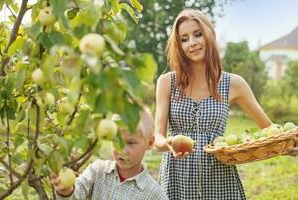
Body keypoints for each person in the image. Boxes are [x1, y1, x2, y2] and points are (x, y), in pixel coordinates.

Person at [153, 8, 293, 200]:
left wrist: (288, 146)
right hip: (176, 179)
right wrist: (169, 143)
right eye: (184, 39)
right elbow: (157, 138)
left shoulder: (234, 83)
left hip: (219, 178)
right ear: (178, 45)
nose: (192, 43)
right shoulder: (167, 82)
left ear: (209, 35)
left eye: (197, 34)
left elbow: (270, 130)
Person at [51, 109, 168, 200]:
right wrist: (67, 191)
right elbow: (77, 193)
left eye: (131, 143)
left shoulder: (154, 194)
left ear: (150, 143)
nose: (121, 150)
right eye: (116, 141)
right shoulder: (98, 171)